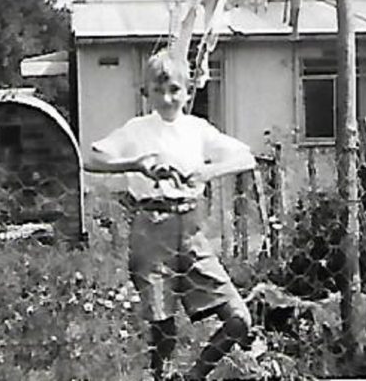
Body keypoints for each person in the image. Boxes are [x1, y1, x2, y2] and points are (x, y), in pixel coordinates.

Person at [83, 48, 256, 380]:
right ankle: (162, 376)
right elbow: (91, 159)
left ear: (189, 91)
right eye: (158, 90)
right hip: (151, 227)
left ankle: (195, 375)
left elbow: (245, 157)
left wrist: (207, 172)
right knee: (163, 329)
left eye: (174, 89)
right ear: (145, 91)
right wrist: (136, 164)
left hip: (192, 230)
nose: (166, 98)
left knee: (238, 319)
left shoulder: (197, 129)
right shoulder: (137, 129)